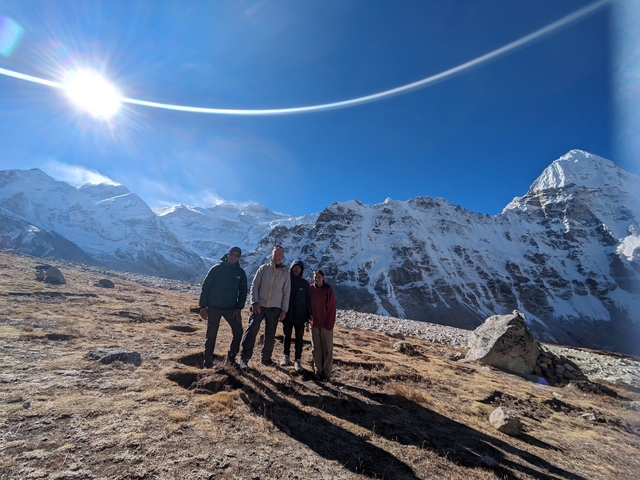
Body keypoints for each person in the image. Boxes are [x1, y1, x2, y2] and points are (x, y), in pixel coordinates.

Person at [239, 245, 290, 369]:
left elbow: (286, 293)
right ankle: (244, 358)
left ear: (283, 256)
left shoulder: (285, 273)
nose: (277, 256)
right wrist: (254, 302)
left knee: (270, 334)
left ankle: (266, 359)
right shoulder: (263, 268)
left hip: (275, 308)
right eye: (275, 254)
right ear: (271, 255)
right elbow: (254, 286)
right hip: (259, 305)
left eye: (280, 254)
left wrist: (284, 310)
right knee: (252, 329)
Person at [198, 246, 247, 368]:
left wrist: (239, 308)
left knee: (238, 331)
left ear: (239, 258)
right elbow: (206, 287)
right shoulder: (216, 269)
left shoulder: (240, 273)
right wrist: (203, 306)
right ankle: (207, 362)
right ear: (227, 254)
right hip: (214, 306)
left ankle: (231, 359)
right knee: (211, 335)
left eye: (237, 255)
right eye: (232, 254)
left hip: (231, 308)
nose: (234, 257)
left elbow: (243, 291)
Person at [280, 260, 312, 372]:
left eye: (299, 267)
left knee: (299, 338)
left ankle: (297, 360)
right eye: (295, 267)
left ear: (302, 269)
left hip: (300, 316)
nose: (297, 269)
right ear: (292, 268)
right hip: (288, 314)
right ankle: (286, 356)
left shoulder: (305, 283)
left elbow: (308, 300)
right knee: (286, 336)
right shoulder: (286, 281)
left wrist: (308, 316)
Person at [309, 269, 336, 381]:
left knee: (327, 349)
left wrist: (329, 324)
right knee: (316, 348)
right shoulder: (310, 289)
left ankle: (327, 373)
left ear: (323, 277)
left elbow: (331, 308)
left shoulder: (328, 289)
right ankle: (318, 371)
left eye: (319, 276)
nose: (317, 278)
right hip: (314, 324)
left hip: (326, 325)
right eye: (315, 276)